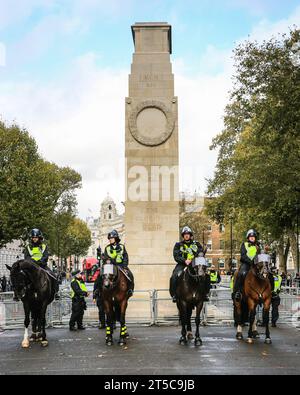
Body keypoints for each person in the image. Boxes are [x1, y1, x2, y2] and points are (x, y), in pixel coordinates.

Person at [170, 226, 211, 303]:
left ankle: (205, 294)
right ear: (183, 235)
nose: (186, 235)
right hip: (182, 264)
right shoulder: (178, 245)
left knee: (206, 275)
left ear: (190, 235)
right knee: (174, 276)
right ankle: (174, 295)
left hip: (195, 264)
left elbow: (200, 253)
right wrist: (185, 260)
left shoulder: (197, 244)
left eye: (188, 234)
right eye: (185, 234)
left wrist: (192, 259)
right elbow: (176, 256)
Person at [23, 228, 59, 299]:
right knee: (21, 276)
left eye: (36, 237)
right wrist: (32, 262)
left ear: (39, 238)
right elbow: (26, 257)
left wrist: (39, 262)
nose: (34, 239)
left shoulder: (44, 246)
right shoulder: (27, 247)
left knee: (53, 276)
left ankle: (56, 292)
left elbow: (45, 256)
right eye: (33, 237)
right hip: (31, 267)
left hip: (42, 266)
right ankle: (20, 293)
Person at [103, 230, 134, 296]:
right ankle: (97, 291)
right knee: (99, 277)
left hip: (121, 265)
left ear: (116, 238)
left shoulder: (122, 247)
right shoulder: (107, 248)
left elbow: (125, 256)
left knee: (130, 275)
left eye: (111, 238)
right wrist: (107, 260)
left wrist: (125, 266)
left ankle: (130, 290)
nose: (110, 240)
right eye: (109, 238)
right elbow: (105, 258)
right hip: (110, 266)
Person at [233, 229, 261, 301]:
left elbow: (259, 256)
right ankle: (238, 292)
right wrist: (251, 262)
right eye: (250, 237)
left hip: (256, 265)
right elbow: (243, 255)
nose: (252, 238)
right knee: (241, 273)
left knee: (264, 274)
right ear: (248, 238)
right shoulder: (244, 244)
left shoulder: (258, 246)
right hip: (246, 264)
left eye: (253, 237)